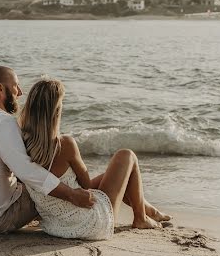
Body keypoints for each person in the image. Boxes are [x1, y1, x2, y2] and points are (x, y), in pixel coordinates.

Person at [0, 66, 95, 234]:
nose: (20, 93)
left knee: (32, 183)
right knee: (45, 192)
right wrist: (71, 194)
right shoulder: (3, 122)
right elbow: (27, 171)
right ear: (0, 88)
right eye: (16, 86)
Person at [19, 77, 170, 241]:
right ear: (56, 111)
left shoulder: (19, 145)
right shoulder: (64, 144)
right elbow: (86, 185)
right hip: (91, 223)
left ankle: (150, 210)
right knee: (126, 156)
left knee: (117, 176)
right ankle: (141, 217)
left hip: (58, 224)